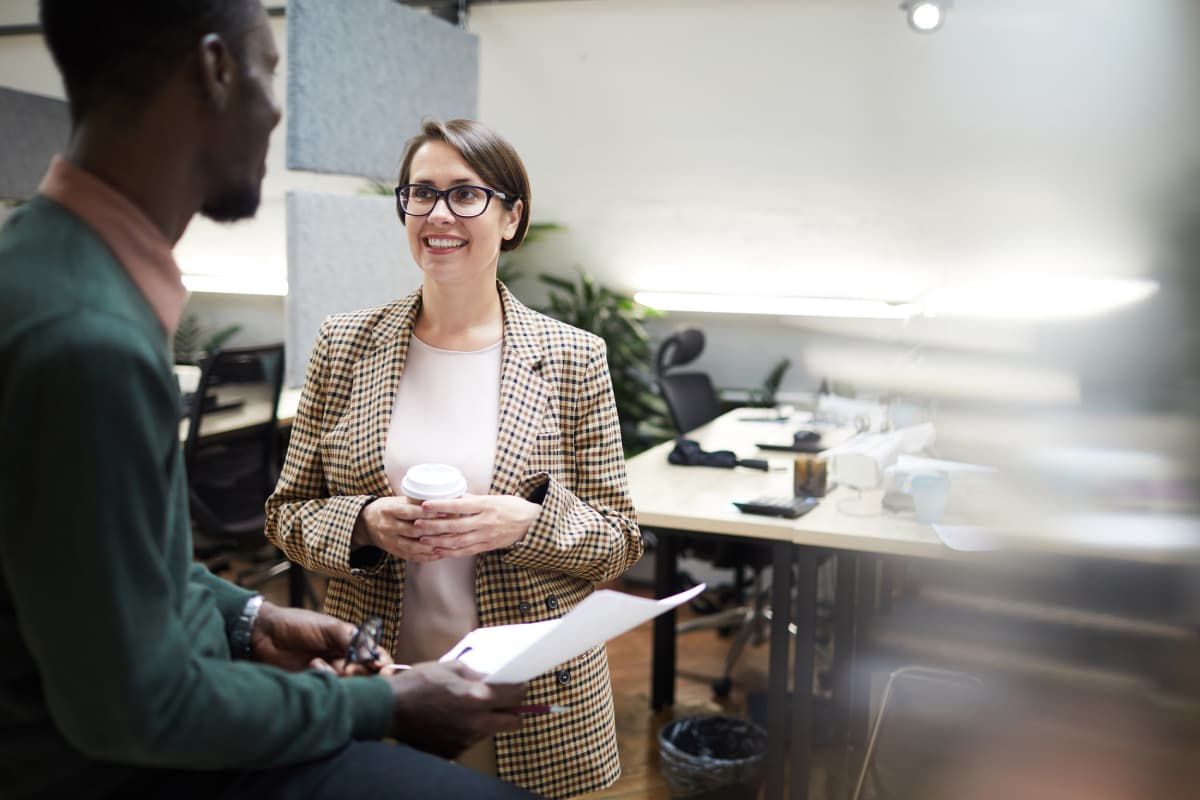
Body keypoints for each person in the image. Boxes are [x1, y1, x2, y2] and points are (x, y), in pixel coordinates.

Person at [0, 3, 540, 799]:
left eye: (466, 196)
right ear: (217, 70)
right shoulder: (90, 338)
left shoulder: (50, 274)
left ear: (510, 217)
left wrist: (247, 618)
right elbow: (137, 705)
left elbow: (115, 575)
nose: (278, 108)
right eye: (269, 70)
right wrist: (377, 699)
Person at [264, 118, 643, 798]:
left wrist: (524, 524)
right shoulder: (344, 344)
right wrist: (364, 523)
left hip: (523, 691)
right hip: (378, 682)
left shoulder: (572, 357)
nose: (439, 214)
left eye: (465, 194)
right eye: (421, 193)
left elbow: (619, 541)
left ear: (511, 216)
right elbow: (286, 515)